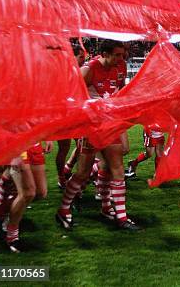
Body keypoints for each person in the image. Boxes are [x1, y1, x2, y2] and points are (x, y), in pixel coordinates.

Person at [55, 40, 140, 231]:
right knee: (83, 173)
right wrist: (89, 111)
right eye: (117, 55)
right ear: (104, 53)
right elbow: (70, 96)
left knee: (116, 168)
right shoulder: (89, 69)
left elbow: (117, 91)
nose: (121, 58)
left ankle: (120, 216)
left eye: (122, 54)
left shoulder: (121, 67)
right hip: (92, 127)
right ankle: (64, 208)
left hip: (110, 124)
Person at [5, 141, 52, 252]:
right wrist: (13, 153)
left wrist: (48, 138)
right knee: (28, 193)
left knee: (41, 192)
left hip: (34, 143)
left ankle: (1, 211)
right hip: (18, 146)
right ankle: (11, 235)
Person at [55, 43, 87, 188]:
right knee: (64, 147)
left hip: (76, 114)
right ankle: (62, 176)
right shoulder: (63, 71)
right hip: (63, 115)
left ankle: (75, 174)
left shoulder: (81, 71)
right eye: (81, 57)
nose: (83, 60)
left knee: (82, 145)